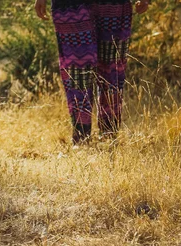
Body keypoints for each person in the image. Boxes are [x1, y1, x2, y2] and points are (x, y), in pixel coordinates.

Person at [35, 0, 149, 144]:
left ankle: (109, 135)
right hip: (70, 6)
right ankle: (81, 136)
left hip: (114, 5)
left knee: (112, 68)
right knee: (78, 70)